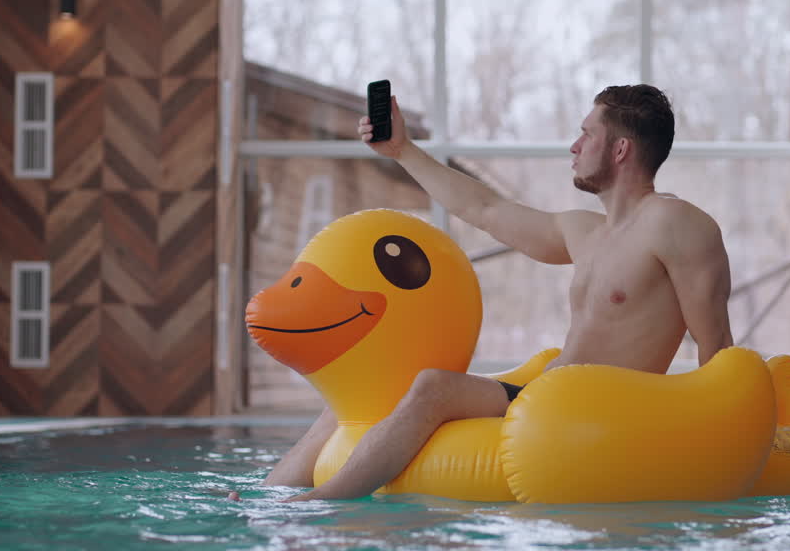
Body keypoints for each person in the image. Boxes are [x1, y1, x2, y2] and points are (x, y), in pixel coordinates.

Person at [264, 84, 734, 502]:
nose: (573, 146)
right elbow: (485, 209)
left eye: (587, 133)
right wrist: (403, 150)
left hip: (600, 413)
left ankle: (323, 503)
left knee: (433, 385)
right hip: (542, 396)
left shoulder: (678, 226)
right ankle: (269, 494)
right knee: (383, 387)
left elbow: (716, 347)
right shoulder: (584, 231)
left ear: (621, 149)